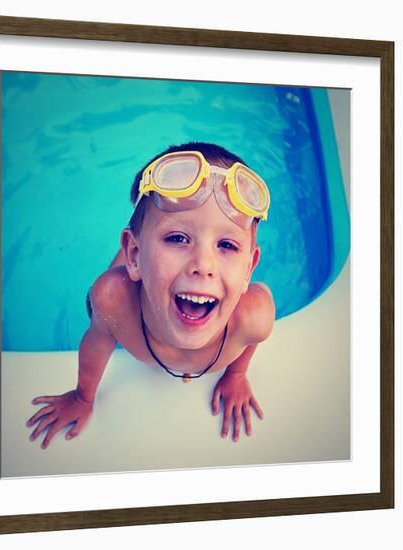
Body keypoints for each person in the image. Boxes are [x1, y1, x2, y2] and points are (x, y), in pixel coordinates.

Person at [26, 142, 275, 449]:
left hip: (153, 272)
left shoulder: (254, 318)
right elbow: (97, 340)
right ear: (134, 252)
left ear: (249, 268)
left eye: (226, 245)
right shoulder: (115, 302)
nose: (203, 265)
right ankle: (136, 255)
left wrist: (236, 375)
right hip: (128, 282)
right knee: (98, 301)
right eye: (177, 237)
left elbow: (250, 341)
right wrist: (82, 397)